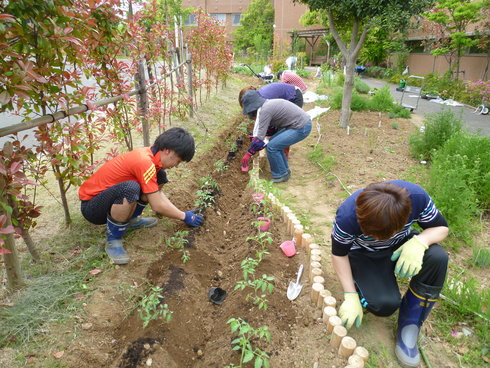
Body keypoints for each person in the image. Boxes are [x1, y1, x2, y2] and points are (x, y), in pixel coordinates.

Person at [331, 181, 449, 368]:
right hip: (365, 254)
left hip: (402, 245)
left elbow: (441, 228)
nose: (379, 239)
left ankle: (410, 323)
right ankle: (364, 288)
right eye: (373, 235)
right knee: (384, 305)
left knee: (438, 257)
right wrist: (350, 294)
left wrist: (420, 242)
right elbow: (339, 254)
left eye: (384, 235)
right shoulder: (348, 216)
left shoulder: (417, 198)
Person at [79, 127, 204, 265]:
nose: (176, 166)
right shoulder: (144, 161)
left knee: (160, 176)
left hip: (108, 200)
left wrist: (182, 213)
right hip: (92, 207)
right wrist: (184, 217)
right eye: (178, 161)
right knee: (130, 189)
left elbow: (156, 195)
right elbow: (156, 204)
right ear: (168, 151)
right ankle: (113, 239)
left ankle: (130, 220)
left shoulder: (153, 159)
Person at [240, 90, 312, 183]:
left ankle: (281, 175)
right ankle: (284, 171)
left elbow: (260, 139)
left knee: (272, 147)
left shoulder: (265, 111)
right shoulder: (267, 105)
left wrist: (248, 154)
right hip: (298, 124)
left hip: (301, 126)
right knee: (274, 142)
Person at [238, 83, 303, 108]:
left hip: (295, 97)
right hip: (290, 96)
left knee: (286, 126)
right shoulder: (259, 95)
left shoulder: (264, 97)